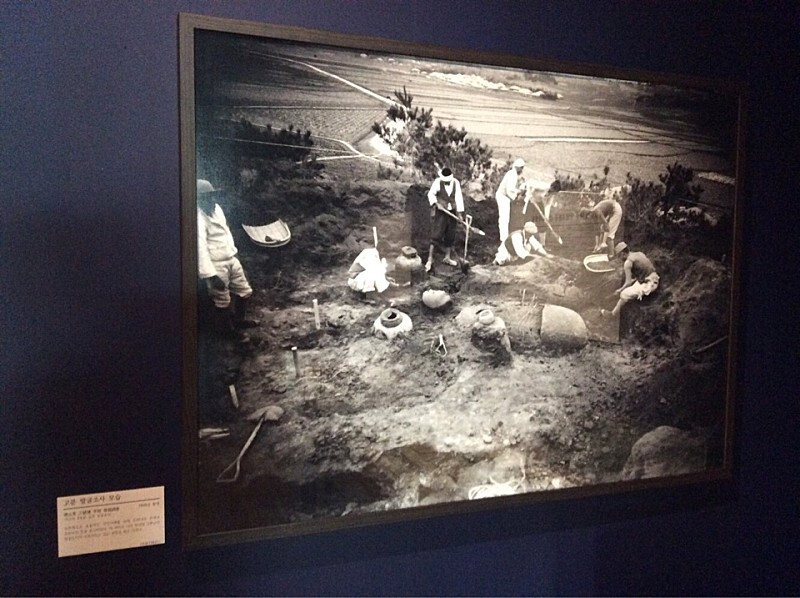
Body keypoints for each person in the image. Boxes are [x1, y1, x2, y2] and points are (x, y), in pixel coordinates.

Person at [197, 179, 255, 341]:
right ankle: (228, 332)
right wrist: (211, 275)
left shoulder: (217, 210)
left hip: (230, 257)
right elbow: (200, 248)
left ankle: (239, 321)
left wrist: (233, 253)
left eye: (212, 196)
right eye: (206, 197)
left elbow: (226, 233)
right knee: (222, 300)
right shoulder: (198, 218)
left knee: (245, 292)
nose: (211, 200)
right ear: (199, 199)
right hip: (216, 264)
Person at [601, 242, 659, 317]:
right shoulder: (639, 253)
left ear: (622, 254)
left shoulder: (628, 263)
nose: (619, 258)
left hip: (649, 285)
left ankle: (613, 315)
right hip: (653, 278)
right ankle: (614, 311)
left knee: (623, 294)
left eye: (619, 256)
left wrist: (619, 290)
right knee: (631, 286)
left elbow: (628, 282)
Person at [425, 167, 465, 271]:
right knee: (436, 234)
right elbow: (431, 194)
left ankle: (447, 257)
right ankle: (430, 259)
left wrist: (460, 214)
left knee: (450, 234)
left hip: (452, 212)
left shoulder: (456, 183)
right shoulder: (437, 182)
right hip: (441, 212)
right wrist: (436, 203)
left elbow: (459, 198)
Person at [580, 190, 623, 258]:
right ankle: (603, 248)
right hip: (611, 211)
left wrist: (603, 243)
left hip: (616, 209)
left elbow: (606, 224)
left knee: (609, 235)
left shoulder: (596, 211)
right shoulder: (593, 216)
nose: (587, 219)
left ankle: (611, 255)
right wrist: (597, 245)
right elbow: (597, 230)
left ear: (588, 214)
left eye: (586, 217)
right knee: (602, 228)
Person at [495, 158, 526, 242]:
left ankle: (506, 237)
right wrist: (518, 192)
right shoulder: (512, 175)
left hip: (505, 197)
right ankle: (503, 239)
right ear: (518, 167)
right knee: (504, 218)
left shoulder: (513, 174)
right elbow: (509, 190)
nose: (522, 169)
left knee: (506, 218)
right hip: (503, 197)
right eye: (521, 168)